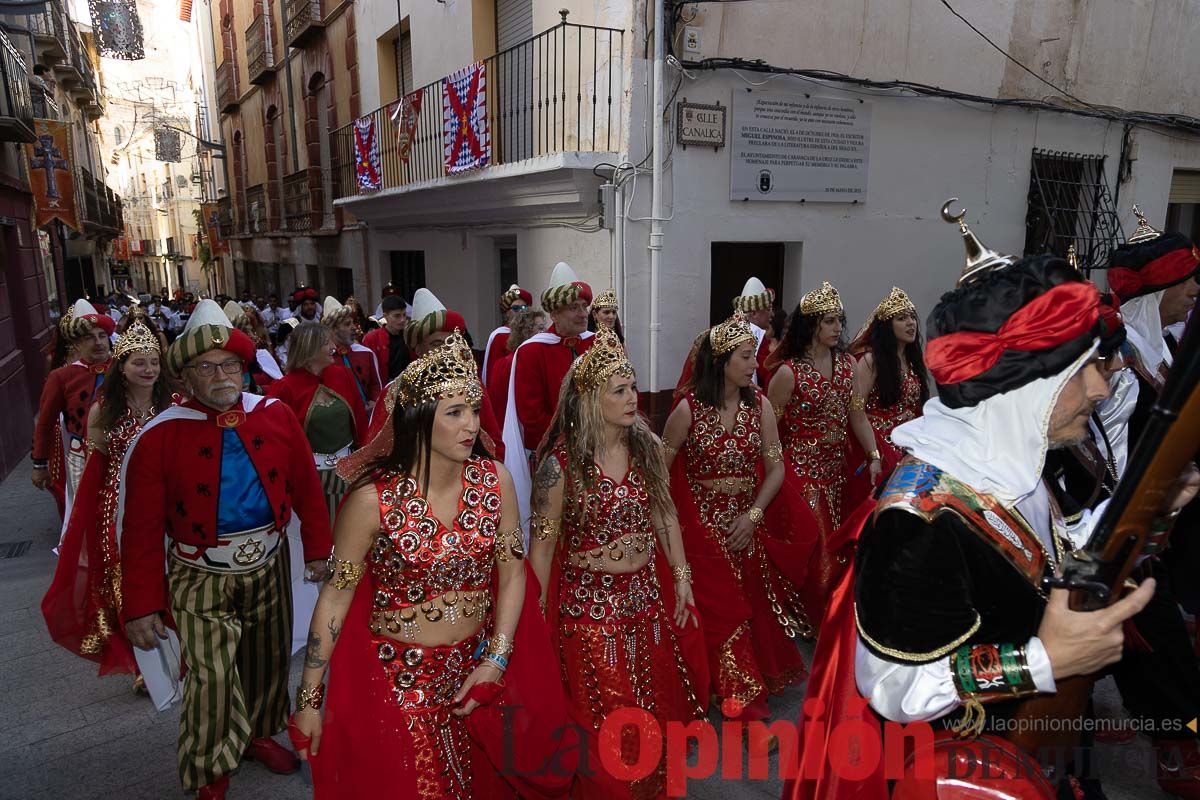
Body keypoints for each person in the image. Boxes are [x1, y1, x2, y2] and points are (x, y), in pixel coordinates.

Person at [783, 215, 1194, 800]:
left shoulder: (1016, 465)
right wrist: (1042, 660)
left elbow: (1059, 556)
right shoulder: (915, 518)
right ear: (1029, 382)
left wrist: (1153, 508)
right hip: (967, 772)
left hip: (1040, 747)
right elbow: (892, 684)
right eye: (1085, 374)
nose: (1102, 390)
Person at [287, 329, 573, 798]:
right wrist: (309, 700)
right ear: (419, 420)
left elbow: (513, 573)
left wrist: (496, 662)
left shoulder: (495, 480)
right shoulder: (371, 501)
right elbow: (336, 599)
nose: (471, 425)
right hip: (402, 683)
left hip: (478, 673)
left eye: (474, 410)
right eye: (454, 412)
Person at [118, 299, 333, 800]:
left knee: (267, 659)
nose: (221, 375)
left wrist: (320, 548)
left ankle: (257, 734)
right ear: (186, 377)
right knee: (212, 676)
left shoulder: (275, 415)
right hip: (198, 572)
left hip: (269, 562)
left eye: (230, 364)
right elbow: (142, 528)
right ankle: (209, 766)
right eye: (206, 367)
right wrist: (142, 604)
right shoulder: (160, 435)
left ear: (245, 366)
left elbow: (306, 487)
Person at [528, 325, 706, 799]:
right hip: (590, 620)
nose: (633, 398)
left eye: (633, 388)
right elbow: (541, 551)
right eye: (620, 390)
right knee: (608, 723)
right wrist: (534, 624)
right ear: (590, 399)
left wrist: (683, 578)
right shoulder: (559, 467)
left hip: (646, 609)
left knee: (652, 712)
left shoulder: (644, 448)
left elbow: (665, 514)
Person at [662, 312, 809, 722]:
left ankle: (730, 681)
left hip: (747, 525)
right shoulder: (687, 410)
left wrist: (754, 517)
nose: (753, 365)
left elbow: (776, 468)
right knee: (722, 611)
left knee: (748, 605)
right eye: (746, 357)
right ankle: (740, 697)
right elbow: (661, 471)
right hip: (701, 531)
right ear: (722, 361)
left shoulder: (760, 406)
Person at [42, 320, 171, 681]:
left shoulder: (172, 405)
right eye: (138, 362)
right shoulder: (104, 410)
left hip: (166, 505)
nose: (148, 370)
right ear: (122, 366)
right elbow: (96, 469)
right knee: (125, 582)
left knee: (167, 576)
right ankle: (144, 666)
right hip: (119, 508)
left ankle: (177, 650)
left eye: (154, 362)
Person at [767, 282, 876, 625]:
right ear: (811, 325)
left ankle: (823, 613)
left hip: (837, 472)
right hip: (800, 474)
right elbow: (768, 427)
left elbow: (857, 414)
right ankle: (817, 618)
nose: (837, 328)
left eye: (839, 321)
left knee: (839, 545)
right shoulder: (788, 372)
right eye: (829, 321)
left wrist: (873, 455)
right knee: (819, 545)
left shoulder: (848, 366)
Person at [503, 262, 595, 524]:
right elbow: (531, 414)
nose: (582, 313)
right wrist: (572, 441)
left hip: (599, 449)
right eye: (573, 308)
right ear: (554, 314)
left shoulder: (598, 344)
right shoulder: (532, 351)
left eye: (583, 307)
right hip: (554, 456)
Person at [267, 322, 368, 524]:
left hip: (349, 473)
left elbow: (360, 422)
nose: (334, 347)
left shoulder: (342, 375)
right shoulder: (284, 388)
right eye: (326, 342)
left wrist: (366, 463)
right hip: (311, 480)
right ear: (310, 348)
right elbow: (279, 442)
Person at [842, 287, 930, 509]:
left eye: (912, 317)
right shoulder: (872, 361)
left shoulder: (913, 363)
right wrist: (874, 454)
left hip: (907, 450)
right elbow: (856, 409)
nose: (911, 323)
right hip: (878, 448)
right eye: (902, 318)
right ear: (887, 326)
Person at [31, 299, 115, 528]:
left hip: (121, 451)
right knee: (87, 515)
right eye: (89, 337)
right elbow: (45, 423)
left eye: (101, 335)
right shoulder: (62, 377)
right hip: (82, 456)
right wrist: (39, 464)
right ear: (76, 345)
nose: (97, 342)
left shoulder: (125, 370)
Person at [488, 309, 546, 429]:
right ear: (526, 331)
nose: (545, 333)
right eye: (540, 328)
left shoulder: (503, 362)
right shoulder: (517, 363)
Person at [322, 296, 382, 406]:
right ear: (333, 329)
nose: (354, 327)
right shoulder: (322, 359)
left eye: (352, 322)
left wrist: (374, 402)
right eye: (347, 324)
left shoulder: (366, 353)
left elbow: (376, 386)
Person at [224, 301, 282, 391]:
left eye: (251, 331)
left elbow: (280, 386)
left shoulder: (262, 355)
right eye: (246, 332)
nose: (252, 336)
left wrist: (259, 389)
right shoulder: (224, 361)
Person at [483, 283, 533, 384]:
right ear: (507, 312)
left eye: (524, 308)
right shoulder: (499, 336)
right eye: (515, 308)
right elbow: (493, 371)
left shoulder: (534, 334)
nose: (520, 312)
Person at [733, 277, 775, 385]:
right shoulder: (757, 336)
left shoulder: (729, 329)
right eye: (768, 309)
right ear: (754, 313)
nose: (772, 315)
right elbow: (768, 376)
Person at [361, 294, 411, 383]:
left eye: (404, 315)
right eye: (397, 316)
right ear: (385, 316)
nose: (402, 319)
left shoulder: (410, 335)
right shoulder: (372, 338)